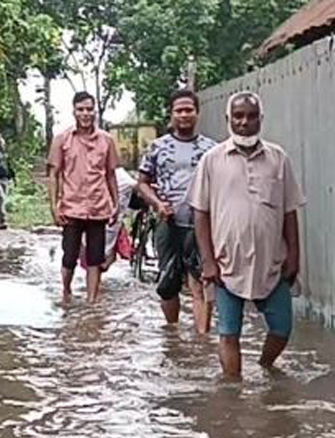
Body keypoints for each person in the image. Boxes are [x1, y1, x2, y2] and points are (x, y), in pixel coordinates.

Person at [189, 91, 305, 378]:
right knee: (229, 333)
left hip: (272, 262)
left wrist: (294, 256)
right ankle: (233, 391)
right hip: (226, 263)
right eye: (238, 116)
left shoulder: (278, 159)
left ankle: (266, 367)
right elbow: (200, 213)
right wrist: (208, 261)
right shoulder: (211, 160)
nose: (245, 122)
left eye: (251, 116)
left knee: (281, 329)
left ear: (260, 120)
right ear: (229, 120)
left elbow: (290, 211)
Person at [135, 89, 217, 332]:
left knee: (201, 281)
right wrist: (157, 204)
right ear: (171, 114)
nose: (184, 115)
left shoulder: (211, 149)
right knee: (168, 283)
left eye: (188, 110)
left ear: (197, 113)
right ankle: (173, 334)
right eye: (179, 110)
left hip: (201, 226)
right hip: (168, 223)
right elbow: (141, 183)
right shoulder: (158, 147)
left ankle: (201, 341)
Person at [47, 91, 121, 304]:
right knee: (69, 256)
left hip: (98, 207)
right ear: (74, 111)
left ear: (95, 111)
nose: (85, 113)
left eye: (89, 109)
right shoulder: (62, 139)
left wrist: (115, 204)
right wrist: (54, 206)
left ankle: (92, 301)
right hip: (71, 207)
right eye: (81, 109)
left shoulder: (107, 140)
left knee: (95, 258)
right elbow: (54, 175)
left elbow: (110, 175)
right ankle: (66, 292)